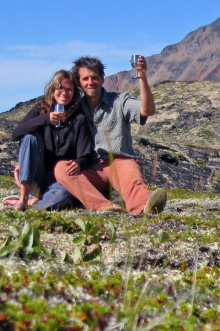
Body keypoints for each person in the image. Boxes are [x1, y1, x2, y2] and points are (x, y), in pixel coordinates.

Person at [54, 56, 166, 214]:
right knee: (61, 168)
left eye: (94, 77)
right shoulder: (74, 108)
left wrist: (142, 75)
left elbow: (148, 111)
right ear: (79, 82)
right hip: (90, 168)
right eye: (85, 79)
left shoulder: (120, 100)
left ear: (102, 78)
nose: (90, 82)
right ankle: (104, 206)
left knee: (133, 182)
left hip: (119, 161)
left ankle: (146, 208)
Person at [3, 70, 94, 211]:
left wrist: (79, 163)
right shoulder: (41, 109)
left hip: (59, 178)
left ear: (74, 93)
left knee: (63, 195)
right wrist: (45, 119)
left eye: (69, 89)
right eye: (60, 88)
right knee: (29, 137)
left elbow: (86, 155)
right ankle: (23, 198)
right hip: (37, 173)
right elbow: (17, 133)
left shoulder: (79, 119)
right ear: (53, 89)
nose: (64, 92)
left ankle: (29, 205)